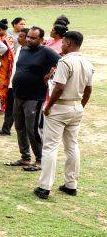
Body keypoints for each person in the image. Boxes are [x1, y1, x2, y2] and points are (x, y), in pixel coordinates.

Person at [35, 30, 95, 199]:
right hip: (76, 106)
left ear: (68, 43)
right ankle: (71, 184)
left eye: (63, 42)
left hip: (60, 107)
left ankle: (44, 186)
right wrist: (80, 106)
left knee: (50, 147)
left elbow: (59, 87)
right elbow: (88, 90)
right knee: (72, 146)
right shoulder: (87, 63)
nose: (61, 45)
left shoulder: (65, 61)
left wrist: (48, 106)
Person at [8, 27, 59, 172]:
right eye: (28, 37)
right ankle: (25, 157)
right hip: (18, 95)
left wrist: (50, 74)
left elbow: (63, 63)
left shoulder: (46, 51)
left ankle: (40, 159)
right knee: (19, 127)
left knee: (33, 129)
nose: (29, 39)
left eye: (33, 38)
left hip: (34, 97)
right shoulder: (23, 50)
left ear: (41, 40)